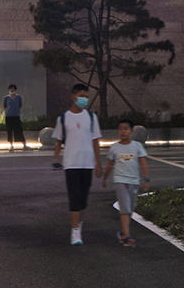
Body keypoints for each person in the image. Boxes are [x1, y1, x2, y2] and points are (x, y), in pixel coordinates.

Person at [52, 84, 101, 246]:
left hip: (87, 164)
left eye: (86, 96)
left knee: (83, 199)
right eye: (81, 96)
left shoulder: (92, 118)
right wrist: (55, 159)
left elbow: (95, 142)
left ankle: (78, 225)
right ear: (73, 97)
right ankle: (74, 232)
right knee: (74, 197)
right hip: (71, 164)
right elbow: (58, 141)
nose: (84, 99)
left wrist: (98, 164)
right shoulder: (63, 119)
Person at [102, 119, 150, 249]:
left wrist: (146, 179)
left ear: (131, 131)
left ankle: (123, 231)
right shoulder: (114, 147)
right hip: (120, 180)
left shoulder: (137, 146)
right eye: (120, 129)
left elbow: (143, 163)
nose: (123, 131)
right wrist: (105, 178)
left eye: (126, 129)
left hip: (134, 181)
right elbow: (110, 164)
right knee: (124, 207)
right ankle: (127, 235)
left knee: (130, 208)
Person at [3, 83, 26, 150]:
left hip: (16, 115)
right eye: (10, 89)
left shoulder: (18, 97)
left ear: (15, 89)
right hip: (9, 116)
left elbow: (20, 105)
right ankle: (11, 144)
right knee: (9, 130)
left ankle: (24, 143)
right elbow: (4, 106)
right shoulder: (6, 98)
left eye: (13, 89)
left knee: (18, 130)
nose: (12, 90)